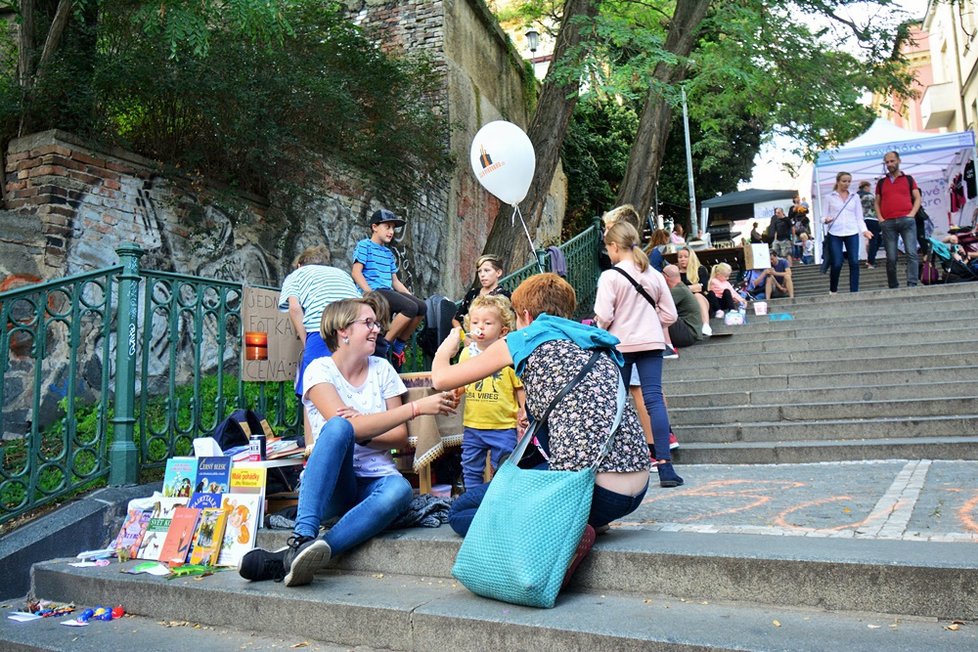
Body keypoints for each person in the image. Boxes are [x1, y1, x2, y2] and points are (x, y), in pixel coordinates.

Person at [238, 296, 458, 587]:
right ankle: (304, 535)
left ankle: (295, 556)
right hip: (332, 487)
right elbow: (343, 428)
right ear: (342, 331)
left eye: (377, 323)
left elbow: (399, 437)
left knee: (401, 489)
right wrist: (414, 408)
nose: (377, 329)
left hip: (376, 483)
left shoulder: (382, 369)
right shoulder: (318, 369)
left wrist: (363, 429)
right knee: (339, 426)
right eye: (367, 323)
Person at [431, 273, 654, 539]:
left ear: (524, 315)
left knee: (461, 511)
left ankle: (559, 529)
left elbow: (441, 379)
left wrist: (447, 346)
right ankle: (578, 522)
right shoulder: (593, 341)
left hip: (590, 491)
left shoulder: (525, 339)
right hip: (637, 488)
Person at [594, 222, 682, 486]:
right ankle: (665, 466)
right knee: (654, 400)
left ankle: (619, 462)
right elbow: (670, 314)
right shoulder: (654, 274)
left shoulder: (610, 276)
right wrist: (649, 323)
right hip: (652, 343)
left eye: (607, 248)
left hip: (621, 345)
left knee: (617, 402)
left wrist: (605, 327)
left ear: (614, 246)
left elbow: (604, 316)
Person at [278, 245, 362, 438]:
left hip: (321, 328)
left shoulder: (296, 275)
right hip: (352, 329)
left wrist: (306, 339)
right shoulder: (341, 274)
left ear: (300, 264)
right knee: (348, 386)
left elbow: (294, 308)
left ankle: (311, 450)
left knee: (311, 390)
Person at [458, 294, 526, 489]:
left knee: (505, 467)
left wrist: (524, 409)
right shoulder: (466, 354)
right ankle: (473, 499)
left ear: (503, 330)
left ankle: (499, 499)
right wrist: (456, 392)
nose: (480, 327)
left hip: (502, 426)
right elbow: (462, 379)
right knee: (470, 467)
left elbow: (519, 386)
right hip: (473, 424)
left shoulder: (507, 355)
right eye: (475, 322)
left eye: (488, 323)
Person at [351, 209, 428, 366]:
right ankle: (384, 344)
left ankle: (398, 346)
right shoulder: (364, 245)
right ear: (375, 227)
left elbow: (395, 281)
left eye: (393, 228)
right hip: (375, 291)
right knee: (410, 308)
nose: (391, 231)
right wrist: (369, 292)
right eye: (388, 227)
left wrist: (411, 296)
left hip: (387, 291)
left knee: (421, 307)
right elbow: (356, 272)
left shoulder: (388, 253)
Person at [873, 151, 921, 289]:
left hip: (907, 220)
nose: (890, 164)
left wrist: (912, 214)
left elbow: (917, 197)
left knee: (912, 253)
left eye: (892, 161)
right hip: (888, 223)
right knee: (891, 257)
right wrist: (880, 218)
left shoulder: (908, 179)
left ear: (898, 161)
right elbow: (877, 202)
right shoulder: (881, 182)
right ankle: (893, 286)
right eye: (887, 162)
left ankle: (912, 284)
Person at [824, 171, 873, 294]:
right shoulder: (829, 197)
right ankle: (833, 289)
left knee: (854, 262)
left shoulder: (854, 196)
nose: (846, 184)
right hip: (835, 232)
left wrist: (864, 230)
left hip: (852, 231)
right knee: (837, 262)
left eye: (849, 181)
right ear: (838, 181)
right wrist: (826, 219)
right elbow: (822, 216)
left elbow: (859, 217)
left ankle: (854, 292)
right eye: (844, 181)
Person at [453, 254, 511, 328]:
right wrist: (464, 338)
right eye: (479, 271)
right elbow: (456, 319)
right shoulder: (472, 293)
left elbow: (508, 323)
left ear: (498, 273)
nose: (482, 275)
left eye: (487, 270)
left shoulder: (505, 296)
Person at [662, 265, 707, 346]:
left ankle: (668, 346)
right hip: (689, 333)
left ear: (665, 277)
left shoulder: (678, 290)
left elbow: (660, 306)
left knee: (661, 311)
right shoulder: (682, 288)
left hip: (688, 334)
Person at [858, 180, 881, 268]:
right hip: (872, 219)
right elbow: (877, 206)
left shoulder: (856, 196)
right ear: (866, 187)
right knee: (875, 240)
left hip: (862, 220)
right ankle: (871, 261)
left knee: (870, 240)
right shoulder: (869, 196)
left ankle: (870, 259)